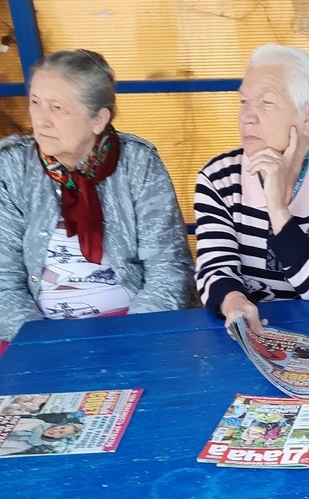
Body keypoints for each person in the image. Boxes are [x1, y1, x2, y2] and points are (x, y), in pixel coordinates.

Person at [0, 49, 194, 345]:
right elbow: (4, 280)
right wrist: (41, 346)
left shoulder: (137, 163)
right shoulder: (12, 166)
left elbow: (168, 269)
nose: (41, 120)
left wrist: (132, 340)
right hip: (36, 335)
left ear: (98, 119)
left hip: (132, 327)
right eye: (35, 102)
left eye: (57, 108)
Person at [194, 44, 309, 333]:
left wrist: (277, 206)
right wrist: (234, 302)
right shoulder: (218, 177)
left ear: (307, 117)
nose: (247, 116)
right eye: (243, 101)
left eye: (266, 103)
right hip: (248, 326)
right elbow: (215, 267)